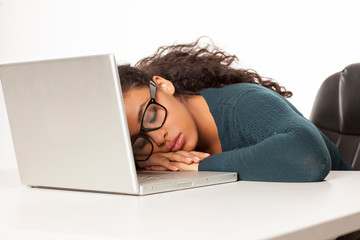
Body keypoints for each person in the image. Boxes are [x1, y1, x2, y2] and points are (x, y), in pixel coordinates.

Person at [118, 38, 353, 182]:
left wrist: (198, 166)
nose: (159, 138)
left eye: (152, 115)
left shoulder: (244, 103)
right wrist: (142, 164)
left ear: (163, 85)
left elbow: (307, 158)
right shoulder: (162, 153)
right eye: (139, 141)